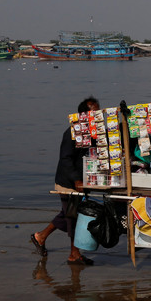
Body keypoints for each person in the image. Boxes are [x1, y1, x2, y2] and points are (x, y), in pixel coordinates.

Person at [30, 96, 100, 265]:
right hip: (67, 183)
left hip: (82, 183)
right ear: (83, 114)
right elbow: (65, 159)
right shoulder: (71, 133)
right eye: (94, 112)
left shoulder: (91, 133)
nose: (97, 115)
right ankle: (73, 254)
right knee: (73, 217)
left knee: (68, 214)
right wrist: (76, 180)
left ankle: (40, 236)